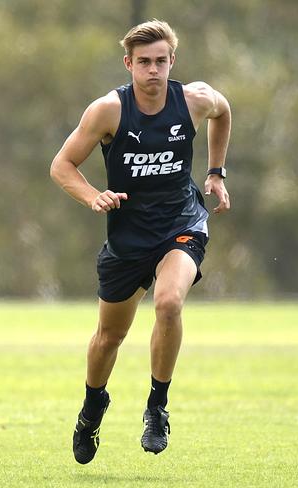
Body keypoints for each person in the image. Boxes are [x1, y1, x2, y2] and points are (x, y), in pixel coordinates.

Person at [50, 19, 231, 463]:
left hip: (181, 222)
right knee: (109, 337)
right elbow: (62, 166)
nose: (153, 70)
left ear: (173, 61)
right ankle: (93, 407)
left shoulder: (193, 100)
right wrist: (95, 196)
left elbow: (223, 111)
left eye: (161, 61)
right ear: (128, 64)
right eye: (144, 62)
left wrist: (215, 172)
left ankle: (157, 407)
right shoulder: (108, 110)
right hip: (128, 236)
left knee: (169, 302)